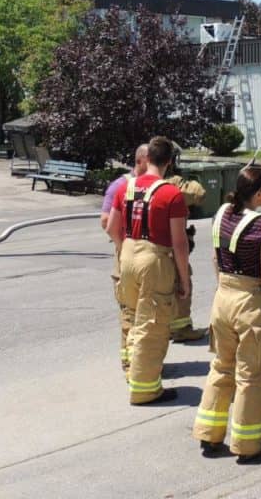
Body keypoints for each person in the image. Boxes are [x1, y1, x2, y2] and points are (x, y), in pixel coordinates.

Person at [193, 166, 261, 463]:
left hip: (223, 298)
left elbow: (214, 258)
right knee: (251, 375)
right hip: (250, 302)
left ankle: (209, 433)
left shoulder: (221, 214)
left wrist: (223, 288)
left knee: (221, 366)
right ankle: (247, 443)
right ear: (258, 193)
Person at [107, 136, 190, 405]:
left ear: (148, 158)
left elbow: (112, 228)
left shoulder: (125, 188)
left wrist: (125, 250)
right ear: (169, 162)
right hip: (154, 259)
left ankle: (132, 371)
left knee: (131, 316)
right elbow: (179, 243)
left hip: (128, 255)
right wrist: (184, 280)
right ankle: (145, 390)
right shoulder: (171, 194)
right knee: (152, 325)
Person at [100, 144, 148, 374]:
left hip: (142, 260)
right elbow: (106, 222)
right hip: (127, 258)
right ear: (140, 161)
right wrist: (124, 247)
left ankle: (141, 362)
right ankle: (130, 364)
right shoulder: (120, 186)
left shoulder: (149, 185)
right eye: (151, 162)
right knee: (130, 315)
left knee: (145, 314)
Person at [163, 143, 209, 344]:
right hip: (171, 245)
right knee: (182, 283)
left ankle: (163, 328)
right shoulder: (172, 183)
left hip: (145, 247)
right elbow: (199, 194)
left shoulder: (136, 183)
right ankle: (181, 328)